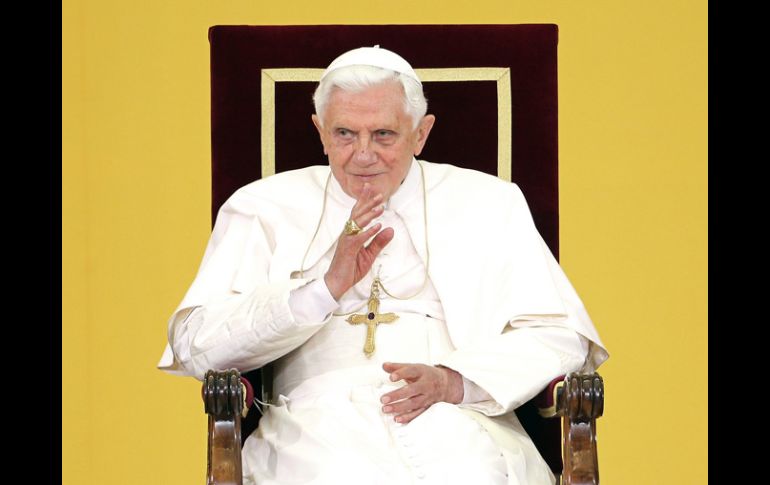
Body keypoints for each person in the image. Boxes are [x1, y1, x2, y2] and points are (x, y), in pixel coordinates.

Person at [157, 45, 608, 485]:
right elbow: (197, 345)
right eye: (344, 134)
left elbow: (561, 337)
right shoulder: (262, 207)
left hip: (458, 419)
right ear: (320, 131)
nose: (363, 154)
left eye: (384, 135)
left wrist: (455, 381)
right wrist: (323, 289)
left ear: (421, 134)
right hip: (311, 426)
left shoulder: (490, 203)